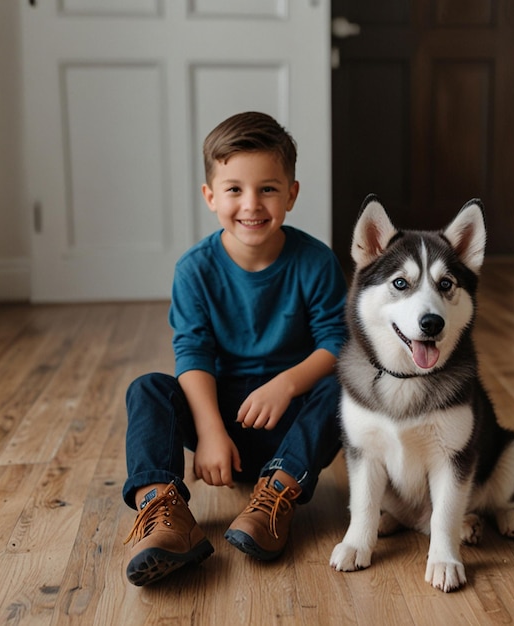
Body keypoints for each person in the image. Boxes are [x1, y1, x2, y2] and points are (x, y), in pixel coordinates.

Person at [122, 111, 347, 586]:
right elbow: (194, 352)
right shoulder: (195, 270)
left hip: (291, 418)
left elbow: (335, 342)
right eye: (234, 189)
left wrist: (285, 385)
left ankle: (275, 497)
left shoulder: (315, 261)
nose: (252, 204)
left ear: (292, 193)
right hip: (221, 413)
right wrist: (208, 432)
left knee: (347, 388)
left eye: (268, 188)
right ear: (210, 196)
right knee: (147, 389)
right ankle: (164, 512)